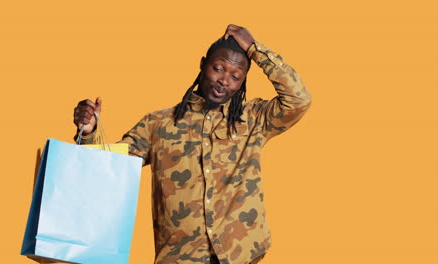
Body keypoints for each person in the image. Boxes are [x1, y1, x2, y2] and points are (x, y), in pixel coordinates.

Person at [73, 24, 311, 264]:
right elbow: (108, 168)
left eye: (235, 76)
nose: (224, 80)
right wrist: (89, 132)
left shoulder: (254, 119)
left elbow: (299, 98)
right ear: (202, 64)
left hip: (242, 256)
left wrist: (255, 49)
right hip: (180, 257)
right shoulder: (158, 124)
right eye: (218, 69)